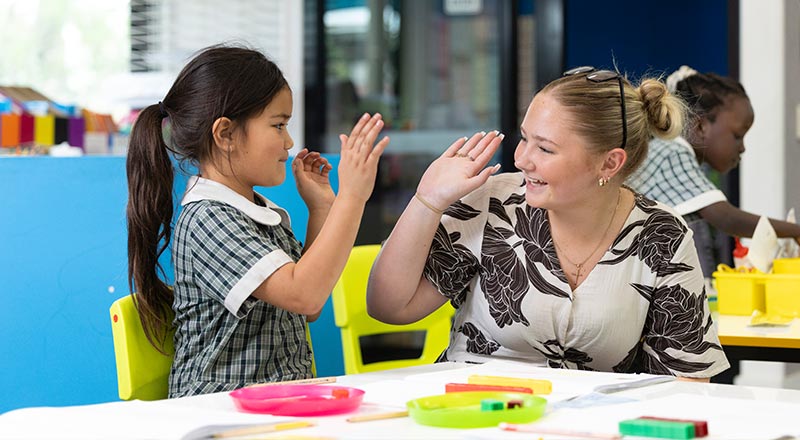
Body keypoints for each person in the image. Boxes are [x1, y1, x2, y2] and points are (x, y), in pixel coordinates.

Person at [367, 66, 729, 381]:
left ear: (609, 164)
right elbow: (389, 308)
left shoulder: (661, 234)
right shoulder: (493, 202)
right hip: (473, 417)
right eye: (524, 138)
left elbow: (687, 377)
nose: (522, 159)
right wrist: (427, 201)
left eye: (545, 148)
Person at [126, 45, 388, 397]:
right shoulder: (209, 218)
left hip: (276, 401)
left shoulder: (257, 211)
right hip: (220, 407)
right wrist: (353, 196)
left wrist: (323, 208)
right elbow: (305, 296)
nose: (289, 141)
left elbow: (310, 304)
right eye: (278, 125)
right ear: (226, 135)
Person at [627, 66, 800, 276]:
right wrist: (794, 231)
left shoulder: (672, 151)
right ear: (701, 127)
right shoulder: (673, 151)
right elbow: (726, 218)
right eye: (737, 136)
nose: (743, 147)